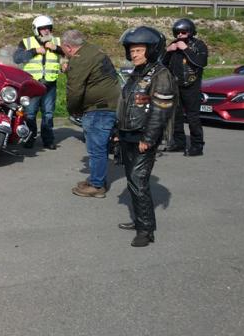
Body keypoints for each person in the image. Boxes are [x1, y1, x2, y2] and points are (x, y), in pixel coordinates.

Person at [116, 26, 176, 247]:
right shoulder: (137, 73)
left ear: (151, 50)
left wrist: (149, 139)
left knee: (138, 181)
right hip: (128, 135)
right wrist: (118, 133)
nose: (134, 54)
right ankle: (140, 221)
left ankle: (146, 231)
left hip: (143, 137)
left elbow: (161, 112)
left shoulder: (161, 75)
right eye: (132, 50)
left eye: (139, 50)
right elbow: (126, 104)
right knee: (133, 181)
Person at [60, 30, 120, 198]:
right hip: (108, 104)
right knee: (99, 147)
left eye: (63, 49)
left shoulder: (80, 59)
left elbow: (75, 90)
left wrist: (73, 110)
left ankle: (97, 186)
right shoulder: (92, 49)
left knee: (96, 149)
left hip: (99, 109)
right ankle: (96, 179)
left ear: (68, 47)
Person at [14, 15, 64, 149]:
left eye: (49, 28)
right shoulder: (26, 42)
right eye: (43, 28)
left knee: (48, 113)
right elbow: (17, 58)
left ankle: (48, 140)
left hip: (50, 83)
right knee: (30, 114)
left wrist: (57, 48)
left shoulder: (57, 41)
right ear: (36, 29)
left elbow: (69, 53)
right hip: (32, 84)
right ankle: (29, 138)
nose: (46, 31)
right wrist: (34, 51)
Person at [161, 18, 208, 156]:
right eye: (177, 33)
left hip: (191, 86)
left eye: (183, 32)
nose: (180, 35)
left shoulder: (199, 45)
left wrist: (185, 49)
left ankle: (197, 146)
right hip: (175, 85)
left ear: (190, 31)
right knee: (176, 116)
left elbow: (201, 62)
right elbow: (162, 64)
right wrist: (167, 51)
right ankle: (179, 142)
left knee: (193, 117)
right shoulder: (173, 44)